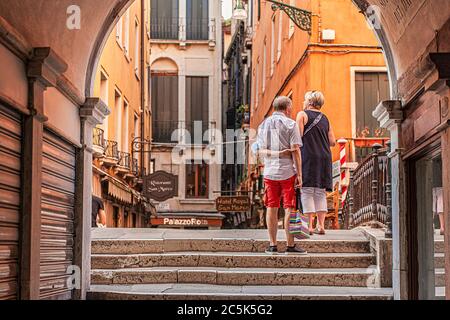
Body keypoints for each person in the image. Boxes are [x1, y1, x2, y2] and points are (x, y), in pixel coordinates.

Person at [255, 96, 307, 255]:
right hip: (288, 172)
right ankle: (290, 245)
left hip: (270, 173)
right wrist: (300, 174)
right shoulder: (291, 124)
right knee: (290, 208)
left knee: (271, 207)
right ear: (288, 108)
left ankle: (272, 245)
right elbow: (296, 152)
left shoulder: (263, 125)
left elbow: (260, 151)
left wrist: (275, 152)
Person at [296, 91, 336, 235]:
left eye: (304, 100)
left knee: (306, 190)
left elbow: (297, 137)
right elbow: (333, 142)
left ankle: (309, 226)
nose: (303, 102)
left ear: (309, 102)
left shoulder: (302, 115)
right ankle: (321, 226)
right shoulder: (326, 118)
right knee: (320, 192)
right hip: (324, 157)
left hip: (308, 155)